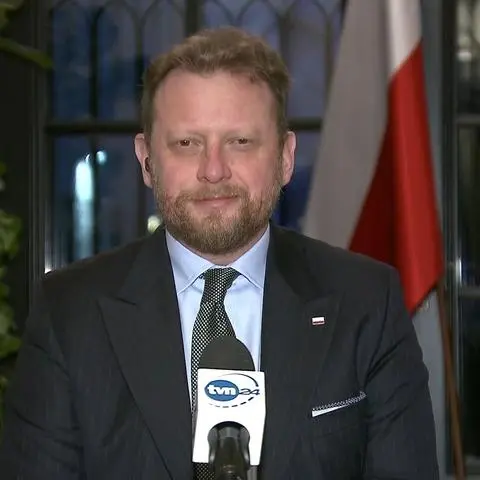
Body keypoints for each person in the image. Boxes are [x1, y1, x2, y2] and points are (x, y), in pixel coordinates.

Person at [0, 27, 439, 479]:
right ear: (147, 159)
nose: (213, 170)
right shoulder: (69, 314)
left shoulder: (366, 302)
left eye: (240, 141)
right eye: (187, 143)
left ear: (285, 157)